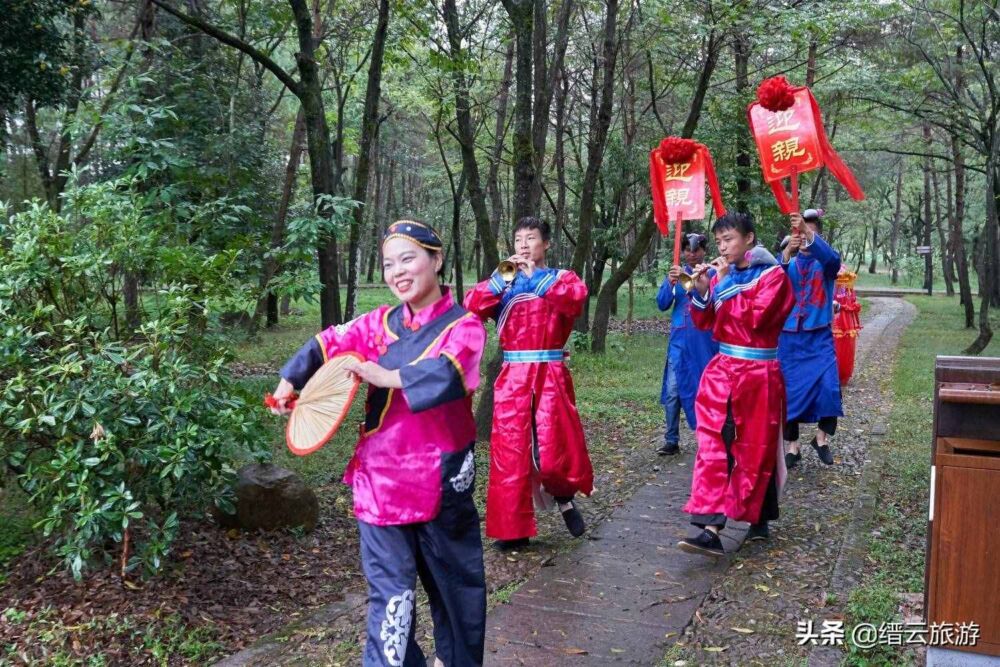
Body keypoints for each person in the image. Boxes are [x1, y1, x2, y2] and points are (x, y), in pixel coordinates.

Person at [269, 220, 487, 666]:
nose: (397, 272)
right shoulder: (377, 324)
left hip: (439, 480)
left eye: (408, 259)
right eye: (389, 264)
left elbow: (448, 372)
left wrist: (386, 376)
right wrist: (290, 380)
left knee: (456, 590)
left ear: (436, 259)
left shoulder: (463, 326)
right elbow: (329, 342)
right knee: (391, 598)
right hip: (380, 483)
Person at [464, 217, 593, 551]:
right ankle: (512, 529)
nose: (523, 245)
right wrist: (498, 280)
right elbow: (472, 307)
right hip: (513, 376)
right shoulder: (504, 282)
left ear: (545, 243)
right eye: (518, 238)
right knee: (510, 452)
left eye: (531, 238)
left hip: (550, 372)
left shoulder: (562, 278)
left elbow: (574, 302)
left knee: (553, 449)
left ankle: (564, 496)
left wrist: (535, 277)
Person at [678, 212, 795, 557]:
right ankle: (711, 527)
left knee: (755, 446)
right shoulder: (722, 277)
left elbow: (757, 318)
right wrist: (701, 290)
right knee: (714, 442)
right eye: (719, 242)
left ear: (749, 239)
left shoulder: (773, 276)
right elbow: (705, 321)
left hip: (759, 372)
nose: (723, 247)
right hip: (723, 369)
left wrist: (724, 282)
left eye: (729, 240)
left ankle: (759, 516)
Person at [777, 208, 844, 469]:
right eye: (801, 232)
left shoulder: (825, 264)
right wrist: (786, 253)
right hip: (790, 338)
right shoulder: (788, 262)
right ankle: (792, 446)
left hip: (819, 337)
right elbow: (771, 283)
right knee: (788, 393)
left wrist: (806, 231)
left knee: (829, 387)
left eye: (810, 232)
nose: (805, 237)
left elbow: (833, 261)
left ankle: (821, 438)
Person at [656, 233, 719, 455]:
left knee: (703, 389)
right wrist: (670, 282)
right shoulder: (676, 274)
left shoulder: (712, 273)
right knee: (673, 391)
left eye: (696, 250)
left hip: (704, 341)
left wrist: (689, 278)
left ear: (704, 250)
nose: (692, 254)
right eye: (687, 250)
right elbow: (662, 304)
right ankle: (671, 439)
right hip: (678, 341)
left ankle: (707, 437)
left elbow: (711, 299)